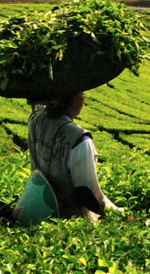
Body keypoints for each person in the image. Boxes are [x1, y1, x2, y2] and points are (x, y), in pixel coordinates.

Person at [26, 91, 125, 221]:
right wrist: (119, 214)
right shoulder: (79, 139)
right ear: (73, 101)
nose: (84, 99)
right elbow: (88, 195)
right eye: (82, 94)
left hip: (36, 209)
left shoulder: (35, 118)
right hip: (69, 221)